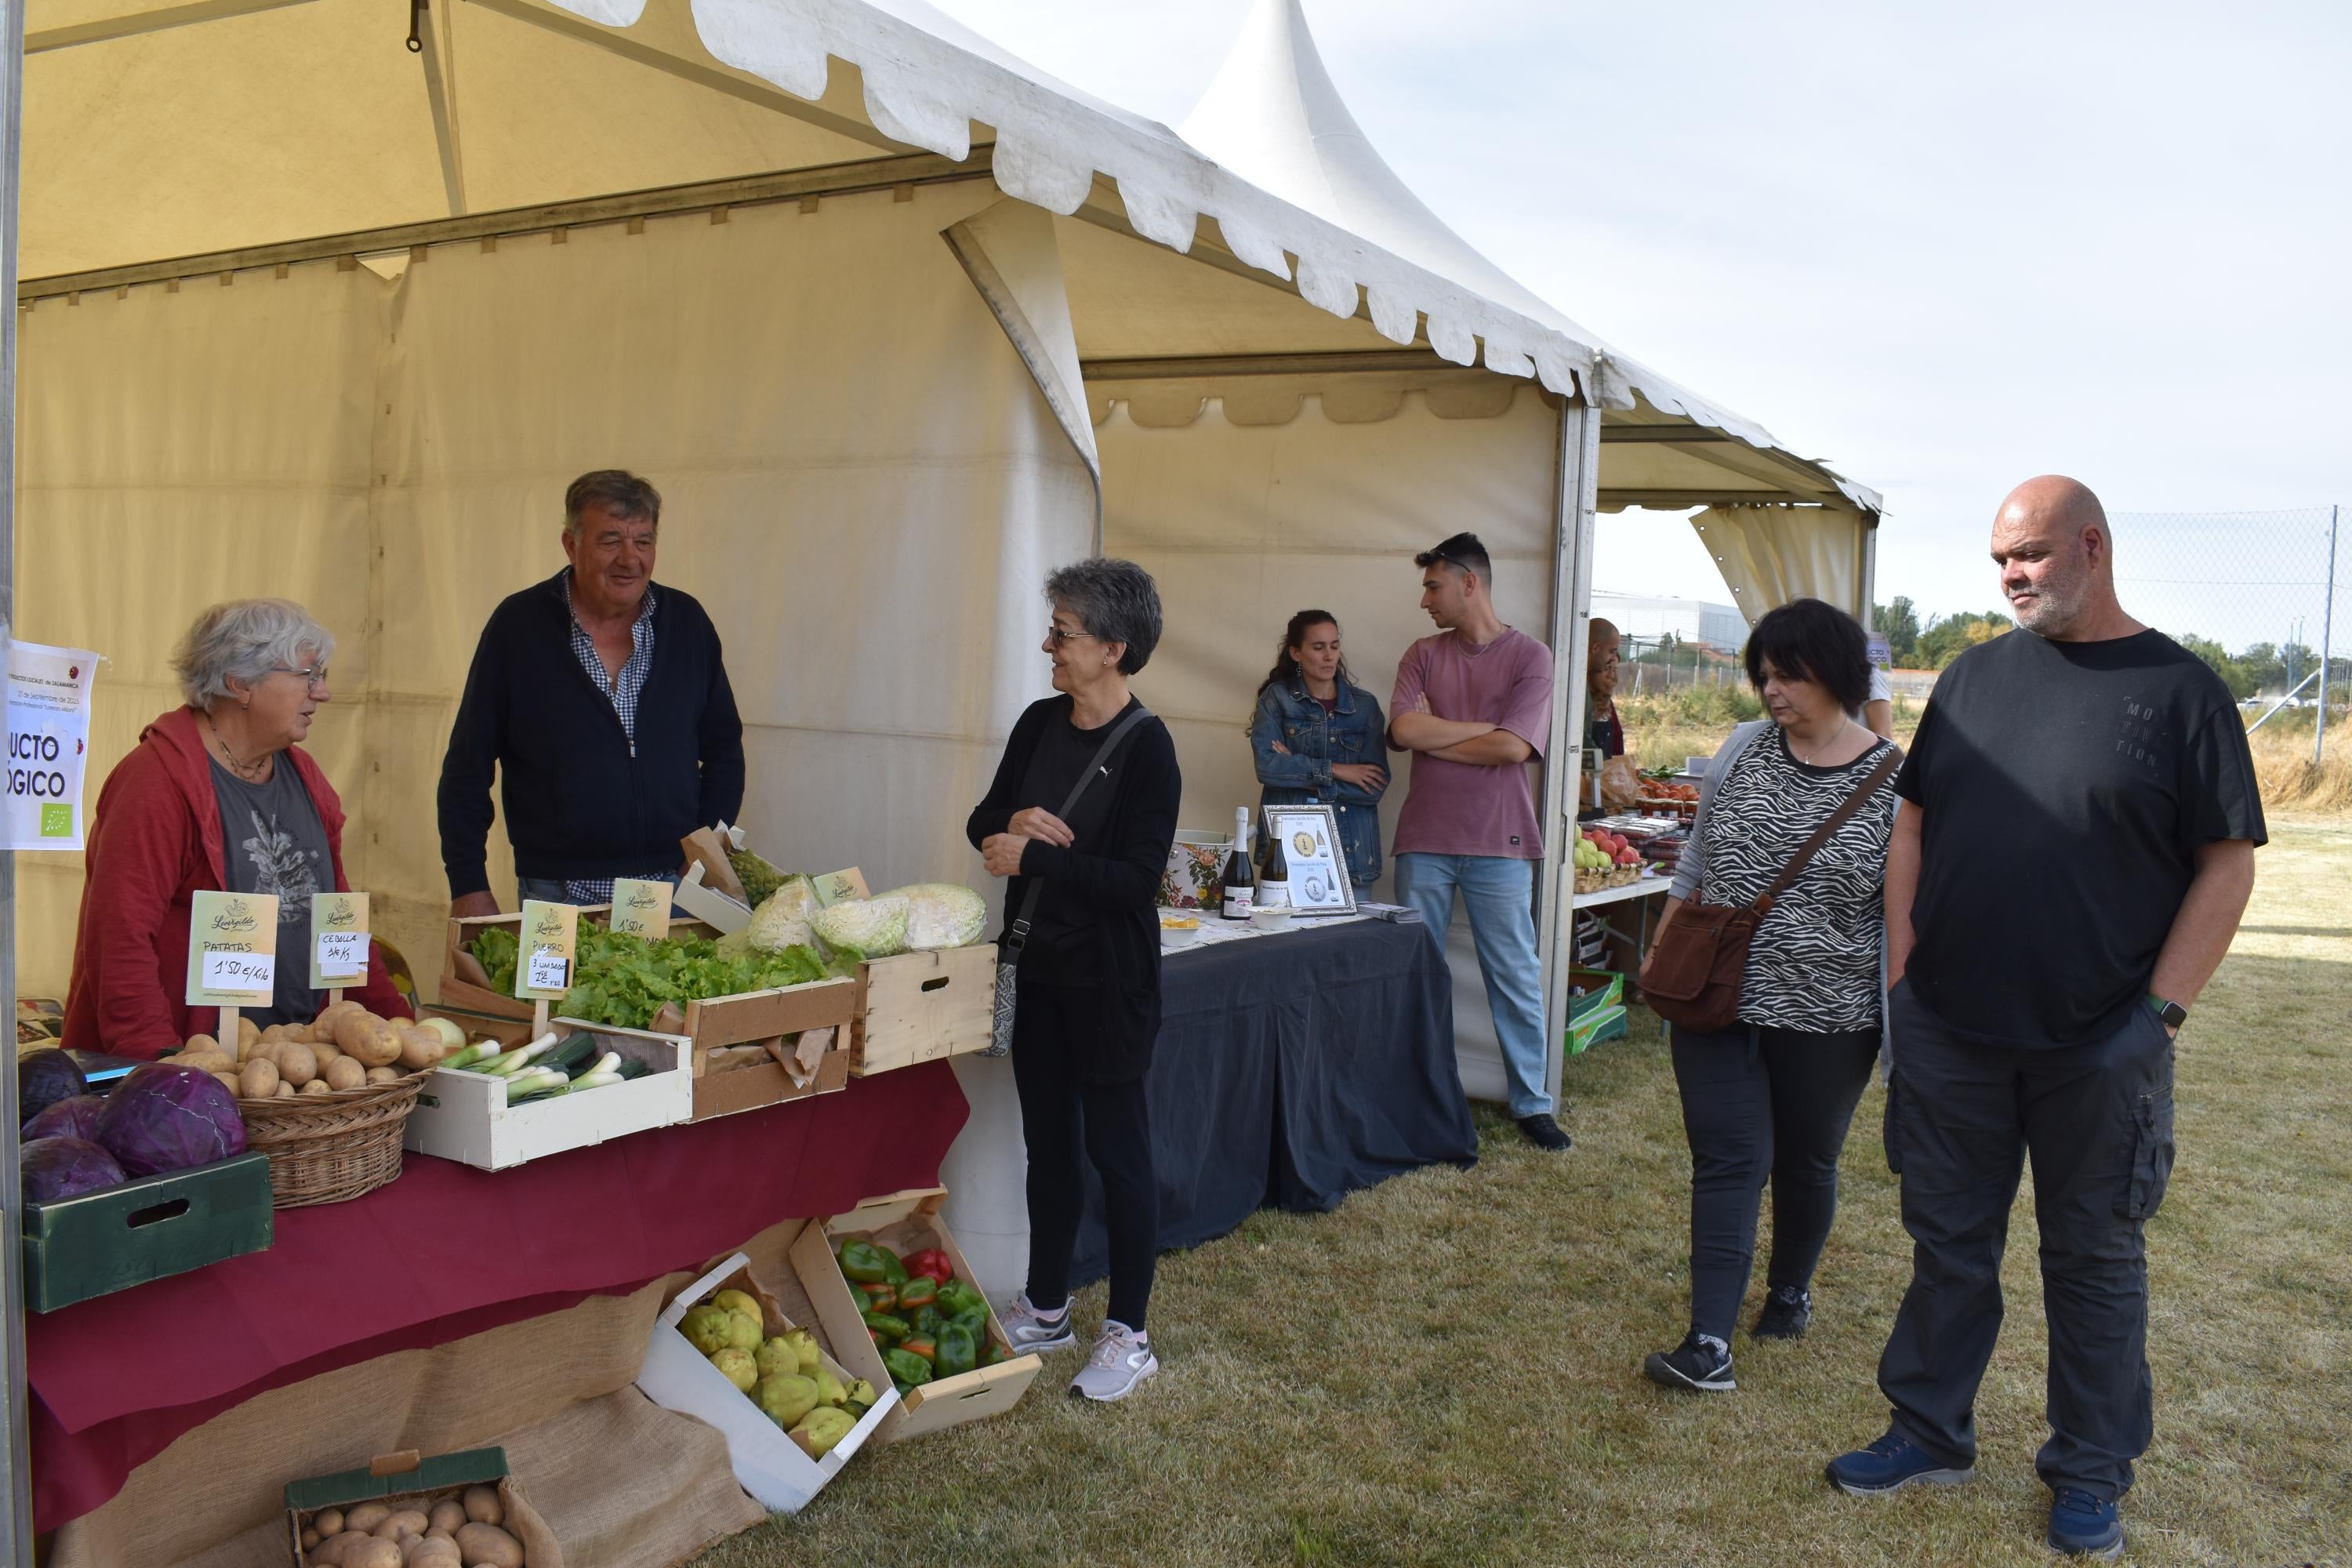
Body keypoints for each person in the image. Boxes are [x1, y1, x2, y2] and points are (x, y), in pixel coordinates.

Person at [1825, 477, 2263, 1562]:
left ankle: (2089, 1473)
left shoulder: (2180, 692)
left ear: (2092, 546)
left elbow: (2227, 866)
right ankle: (1928, 1431)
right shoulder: (1972, 680)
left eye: (2027, 555)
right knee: (1947, 1246)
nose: (2011, 575)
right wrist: (1904, 976)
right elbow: (1913, 820)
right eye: (1998, 561)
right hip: (1952, 1030)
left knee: (2094, 1260)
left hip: (2100, 1046)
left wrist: (2157, 1018)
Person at [1637, 599, 1900, 1395]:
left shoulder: (1897, 779)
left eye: (1789, 673)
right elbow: (1695, 862)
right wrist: (1663, 948)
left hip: (1830, 1016)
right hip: (1715, 996)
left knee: (1805, 1157)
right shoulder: (1744, 746)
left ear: (1840, 674)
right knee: (1728, 1158)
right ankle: (1708, 1339)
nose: (1772, 689)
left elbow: (1903, 914)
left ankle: (1789, 1288)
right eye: (1764, 673)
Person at [967, 558, 1181, 1403]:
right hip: (1039, 972)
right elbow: (983, 823)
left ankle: (1130, 1330)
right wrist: (1010, 824)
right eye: (1053, 628)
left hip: (1109, 982)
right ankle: (1048, 1304)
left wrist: (1039, 855)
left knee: (1118, 1153)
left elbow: (1136, 881)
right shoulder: (1036, 723)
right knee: (1048, 1145)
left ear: (1114, 648)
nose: (1048, 644)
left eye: (1064, 632)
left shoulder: (1149, 748)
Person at [65, 600, 411, 1055]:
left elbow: (338, 921)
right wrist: (163, 1067)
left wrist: (396, 1021)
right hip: (199, 1071)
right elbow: (119, 938)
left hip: (299, 1067)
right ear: (240, 683)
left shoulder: (305, 777)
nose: (322, 692)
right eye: (308, 675)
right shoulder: (156, 782)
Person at [439, 470, 745, 915]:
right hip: (556, 894)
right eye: (610, 541)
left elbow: (724, 751)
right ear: (570, 544)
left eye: (643, 541)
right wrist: (467, 883)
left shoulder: (686, 623)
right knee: (555, 991)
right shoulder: (519, 627)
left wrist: (703, 857)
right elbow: (467, 765)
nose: (630, 559)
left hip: (674, 887)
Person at [1386, 532, 1566, 1152]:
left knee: (1513, 973)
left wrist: (1445, 735)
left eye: (1433, 586)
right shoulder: (1420, 653)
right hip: (1424, 839)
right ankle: (1416, 1094)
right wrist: (1482, 732)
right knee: (1417, 973)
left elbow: (1515, 747)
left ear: (1470, 584)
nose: (1425, 600)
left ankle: (1533, 1105)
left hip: (1502, 840)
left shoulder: (1532, 657)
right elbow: (1405, 729)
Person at [1248, 610, 1390, 890]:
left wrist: (1301, 773)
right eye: (1318, 647)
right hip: (1288, 854)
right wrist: (1338, 771)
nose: (1329, 655)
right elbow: (1267, 767)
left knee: (1353, 935)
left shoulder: (1364, 707)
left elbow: (1375, 787)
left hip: (1352, 855)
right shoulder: (1277, 699)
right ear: (1296, 653)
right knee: (1286, 933)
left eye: (1334, 646)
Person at [1586, 618, 1625, 759]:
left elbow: (1617, 748)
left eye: (1615, 670)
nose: (1612, 677)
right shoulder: (1580, 698)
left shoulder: (1609, 707)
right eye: (1607, 668)